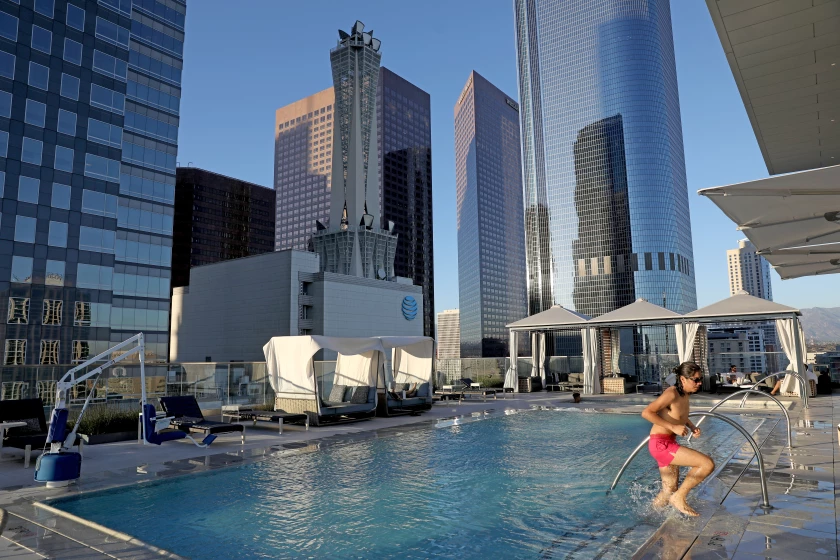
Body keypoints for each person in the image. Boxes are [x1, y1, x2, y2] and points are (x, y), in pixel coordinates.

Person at [641, 362, 715, 517]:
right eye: (695, 380)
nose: (699, 383)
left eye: (700, 379)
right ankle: (679, 498)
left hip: (666, 443)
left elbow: (680, 415)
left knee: (669, 489)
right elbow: (647, 413)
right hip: (661, 444)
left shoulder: (684, 395)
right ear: (683, 379)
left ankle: (650, 517)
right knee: (706, 464)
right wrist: (673, 427)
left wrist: (692, 426)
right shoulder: (672, 393)